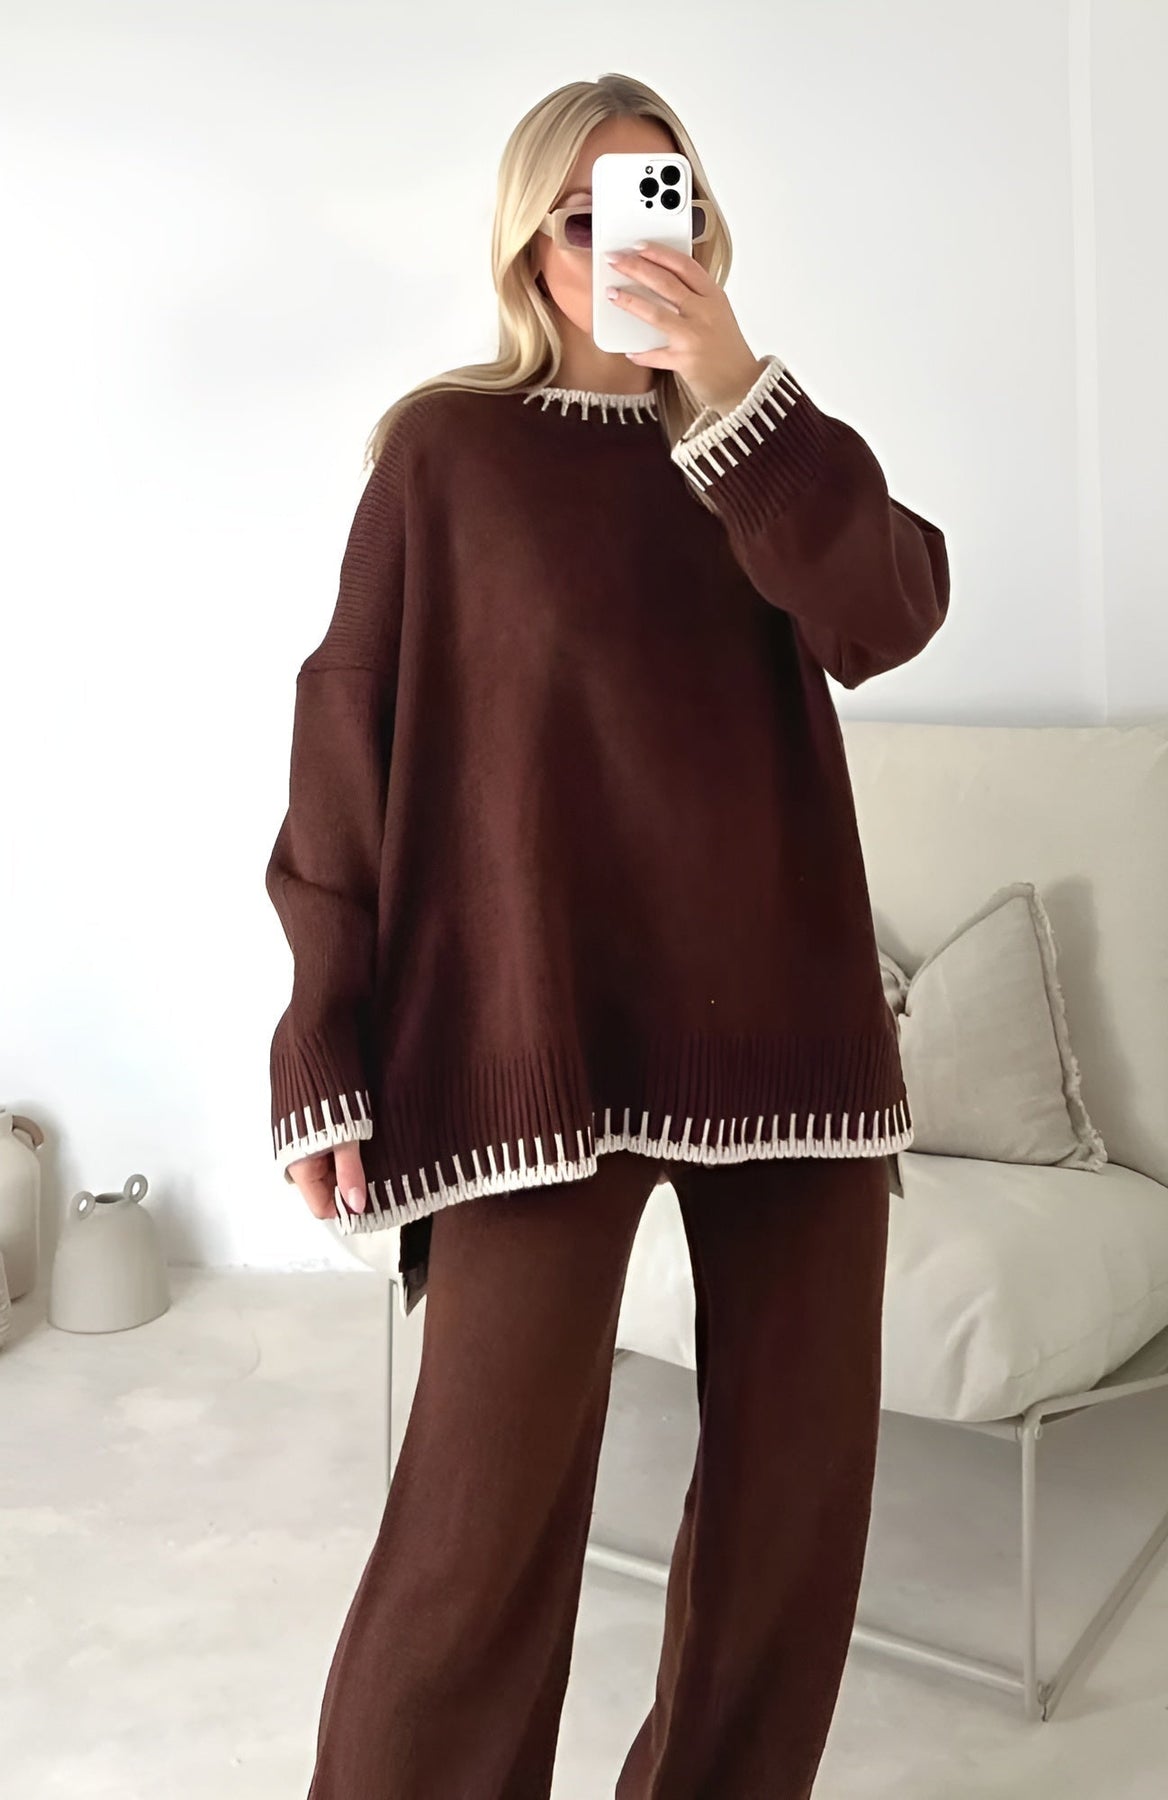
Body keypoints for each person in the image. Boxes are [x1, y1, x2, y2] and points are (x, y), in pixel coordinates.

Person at [265, 70, 950, 1800]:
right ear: (529, 243)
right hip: (533, 1039)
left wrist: (735, 390)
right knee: (472, 1540)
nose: (635, 242)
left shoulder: (764, 450)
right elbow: (350, 731)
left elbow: (887, 613)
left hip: (787, 1034)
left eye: (669, 205)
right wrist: (322, 1030)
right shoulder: (449, 454)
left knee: (792, 1526)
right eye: (590, 214)